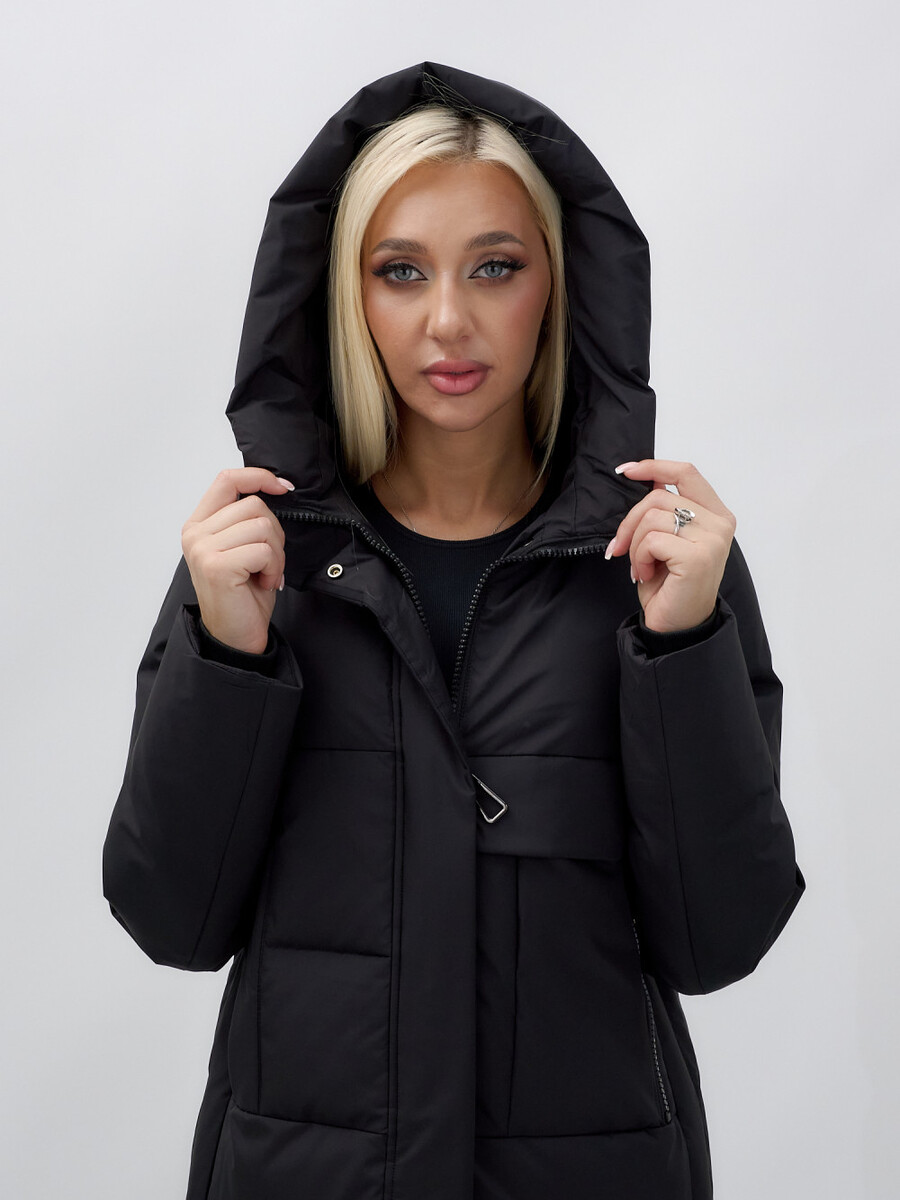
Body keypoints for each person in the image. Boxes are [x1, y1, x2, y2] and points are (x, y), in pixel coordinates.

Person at [102, 62, 806, 1200]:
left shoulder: (659, 567)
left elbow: (720, 940)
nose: (447, 320)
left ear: (558, 284)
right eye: (400, 271)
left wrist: (680, 650)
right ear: (345, 296)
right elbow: (170, 920)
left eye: (494, 266)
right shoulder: (258, 564)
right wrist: (229, 659)